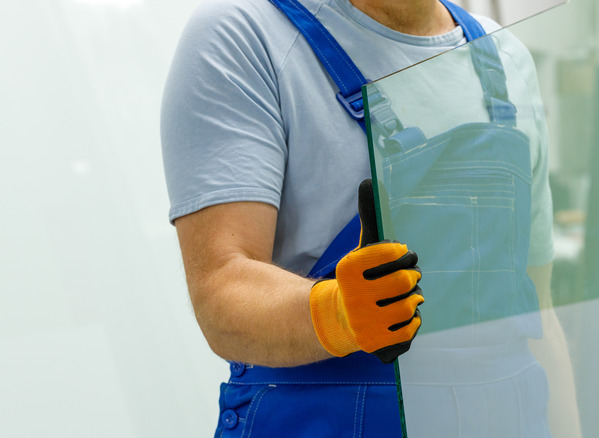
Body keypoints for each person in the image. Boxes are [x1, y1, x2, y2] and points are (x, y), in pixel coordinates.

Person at [161, 0, 508, 436]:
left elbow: (542, 308)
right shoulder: (244, 33)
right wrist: (337, 313)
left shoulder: (502, 55)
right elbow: (221, 286)